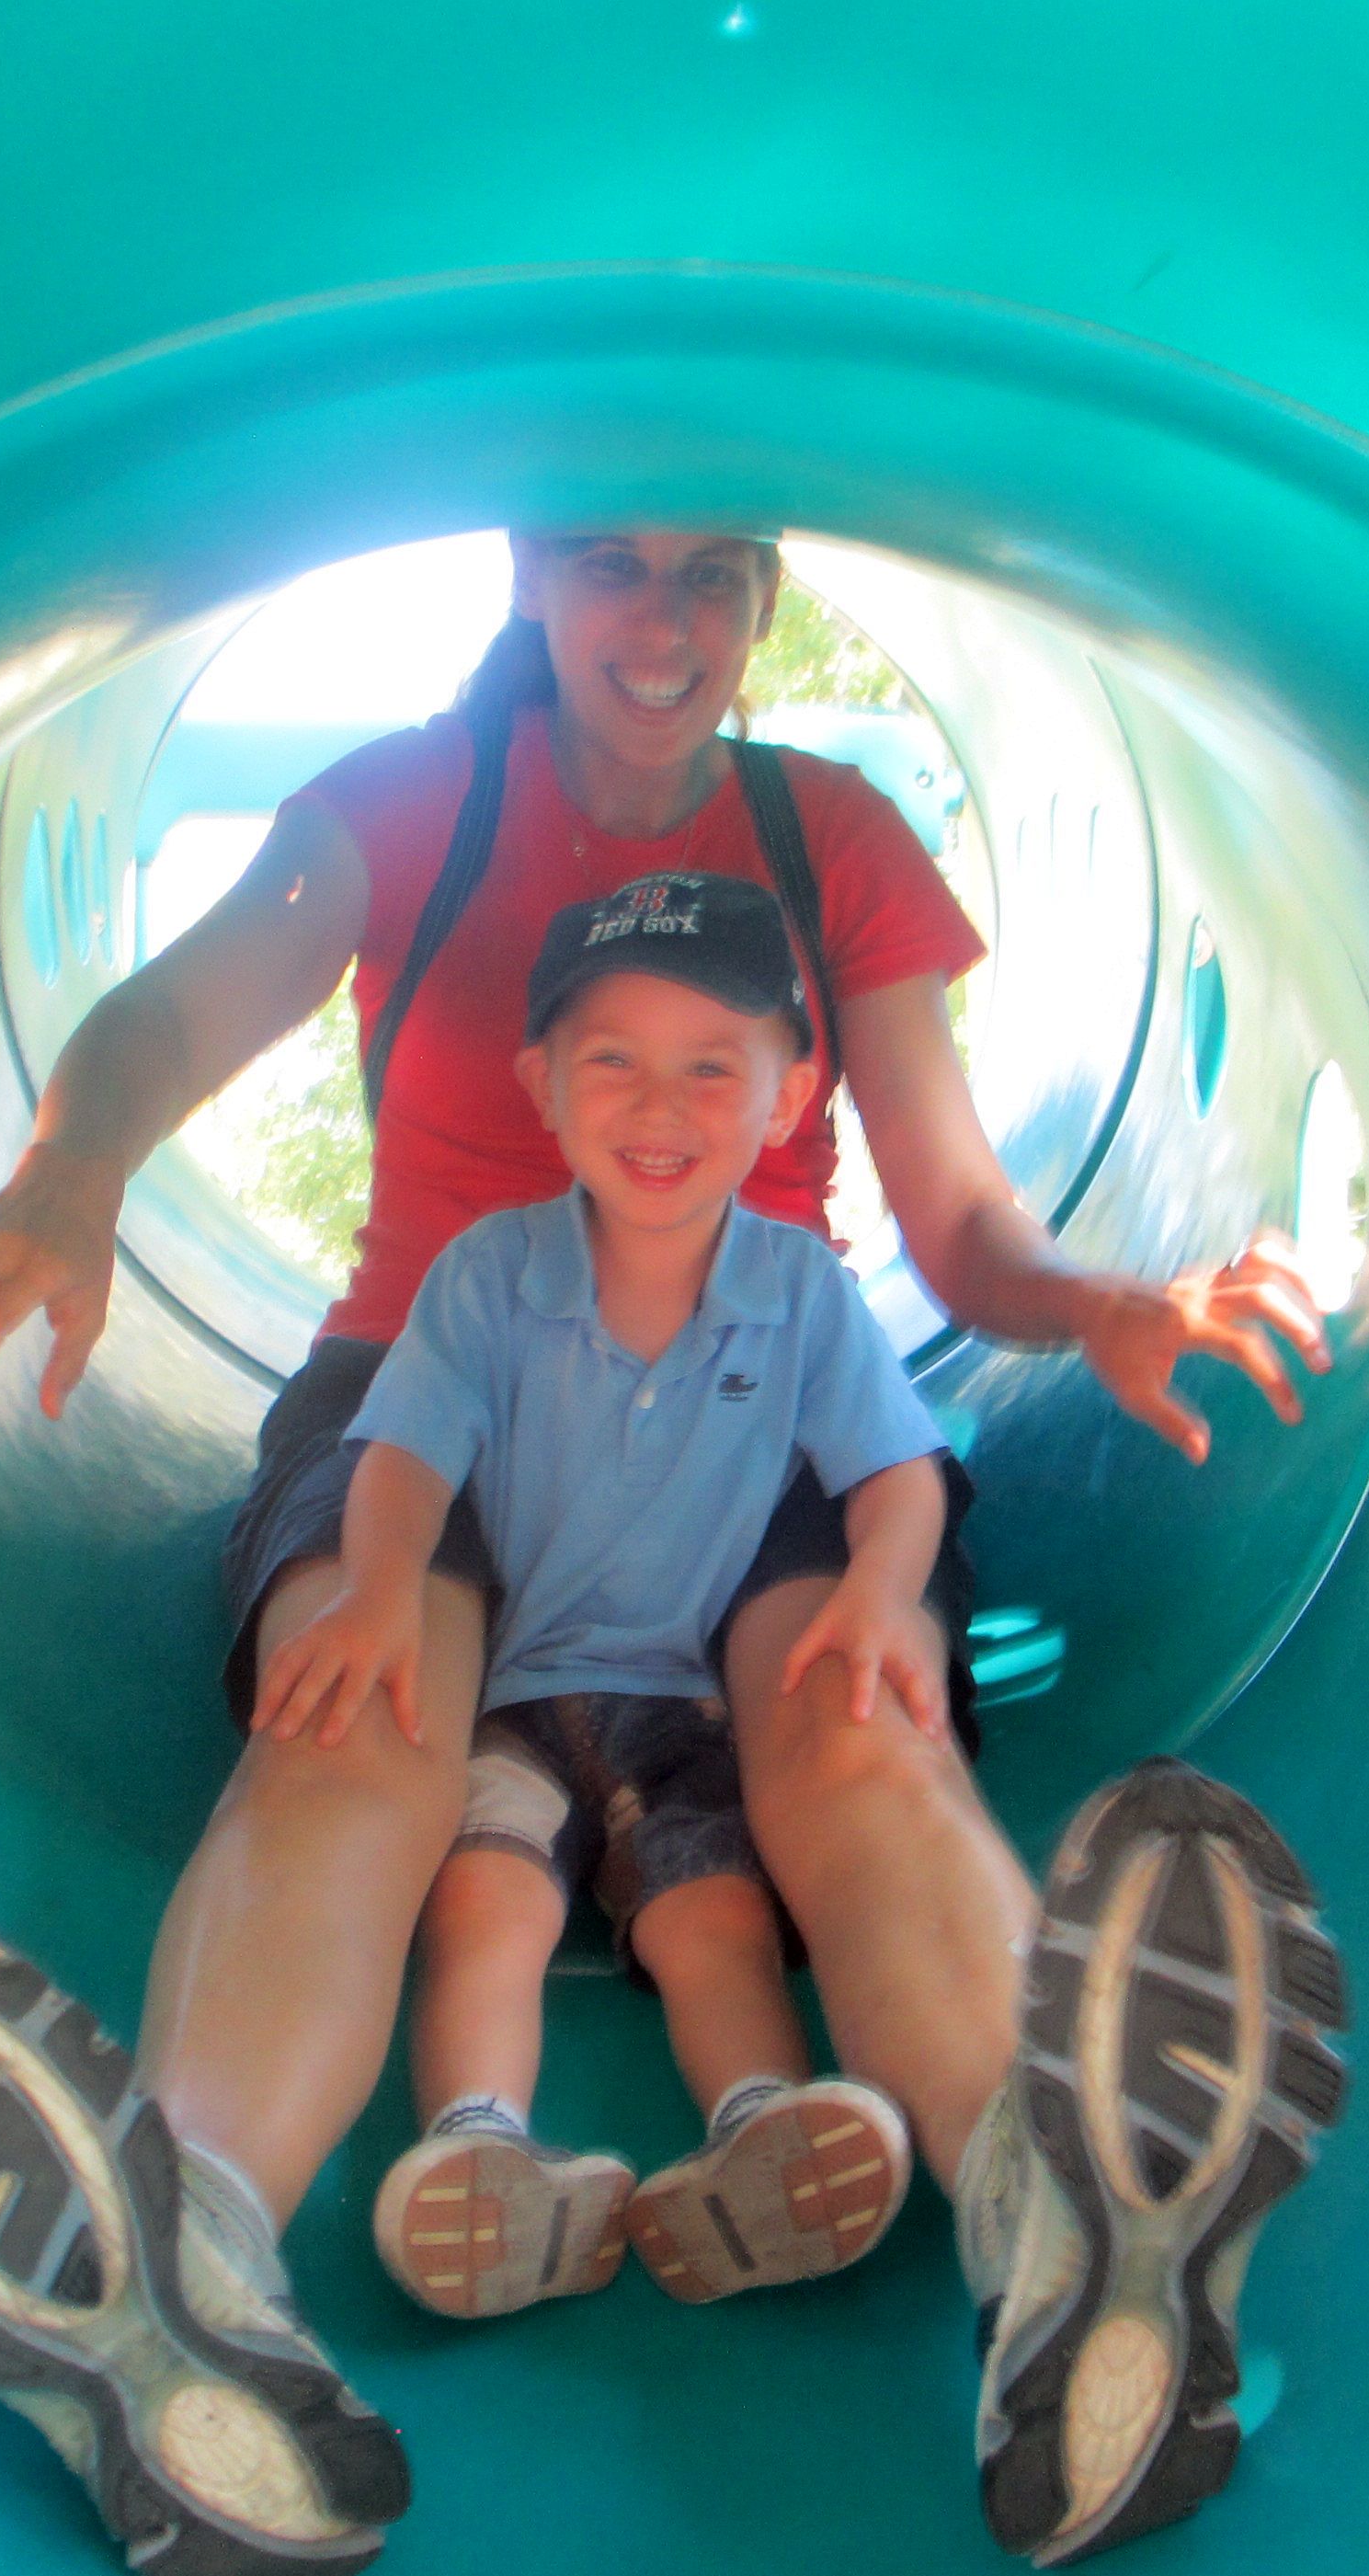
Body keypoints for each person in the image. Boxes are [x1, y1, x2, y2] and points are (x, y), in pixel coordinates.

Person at [0, 528, 1349, 2576]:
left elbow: (956, 1214)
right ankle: (179, 2263)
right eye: (613, 569)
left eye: (711, 579)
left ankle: (1061, 2252)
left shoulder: (827, 835)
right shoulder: (414, 802)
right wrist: (72, 1174)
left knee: (855, 1719)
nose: (662, 623)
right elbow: (172, 1013)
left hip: (748, 1381)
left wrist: (1094, 1304)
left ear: (765, 601)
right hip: (423, 1385)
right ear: (530, 580)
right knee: (358, 1716)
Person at [260, 872, 944, 2320]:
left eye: (713, 1068)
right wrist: (378, 1594)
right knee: (485, 1902)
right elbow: (402, 1458)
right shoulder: (488, 1276)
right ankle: (479, 2150)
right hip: (513, 1696)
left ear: (788, 1097)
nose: (659, 1106)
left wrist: (884, 1594)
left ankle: (763, 2129)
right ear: (545, 1087)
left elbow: (897, 1473)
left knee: (713, 1917)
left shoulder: (803, 1293)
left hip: (688, 1708)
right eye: (614, 1060)